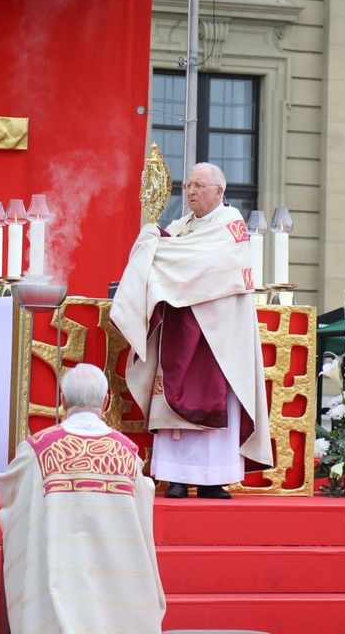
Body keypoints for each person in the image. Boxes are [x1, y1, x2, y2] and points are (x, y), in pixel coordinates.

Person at [110, 162, 272, 500]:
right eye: (188, 186)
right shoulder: (180, 227)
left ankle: (214, 479)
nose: (192, 191)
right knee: (171, 400)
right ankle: (176, 476)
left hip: (219, 335)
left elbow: (212, 266)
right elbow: (162, 261)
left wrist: (166, 256)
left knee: (216, 402)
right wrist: (153, 240)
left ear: (219, 191)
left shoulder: (232, 226)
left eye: (199, 185)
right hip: (180, 331)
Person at [0, 363, 165, 634]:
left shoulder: (38, 450)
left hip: (58, 574)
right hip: (113, 578)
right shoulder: (126, 453)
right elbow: (142, 508)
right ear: (107, 401)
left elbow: (11, 495)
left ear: (62, 400)